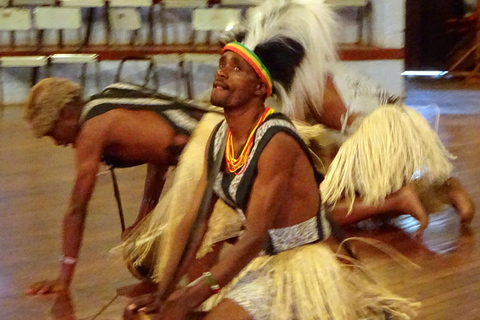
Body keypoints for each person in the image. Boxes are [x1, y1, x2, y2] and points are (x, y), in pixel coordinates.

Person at [123, 2, 419, 319]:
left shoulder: (275, 140)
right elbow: (195, 224)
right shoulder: (220, 138)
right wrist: (164, 293)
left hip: (298, 269)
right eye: (222, 63)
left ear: (260, 88)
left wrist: (193, 294)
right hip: (266, 264)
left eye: (237, 68)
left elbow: (255, 235)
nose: (222, 71)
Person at [23, 78, 216, 295]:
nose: (57, 142)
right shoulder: (112, 95)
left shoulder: (93, 128)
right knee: (192, 241)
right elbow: (159, 153)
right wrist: (145, 213)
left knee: (194, 244)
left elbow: (77, 209)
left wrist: (63, 278)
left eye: (52, 132)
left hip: (210, 147)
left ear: (67, 113)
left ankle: (206, 307)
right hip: (216, 130)